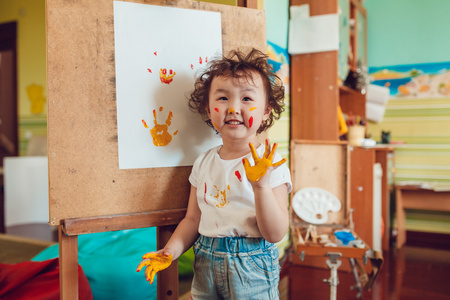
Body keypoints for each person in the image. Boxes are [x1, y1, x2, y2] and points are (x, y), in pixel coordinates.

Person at [137, 48, 292, 299]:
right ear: (209, 111)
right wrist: (170, 251)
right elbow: (192, 219)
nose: (232, 108)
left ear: (266, 111)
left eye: (247, 99)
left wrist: (261, 186)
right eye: (222, 98)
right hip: (205, 260)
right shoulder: (204, 162)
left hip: (251, 264)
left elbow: (275, 233)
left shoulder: (271, 162)